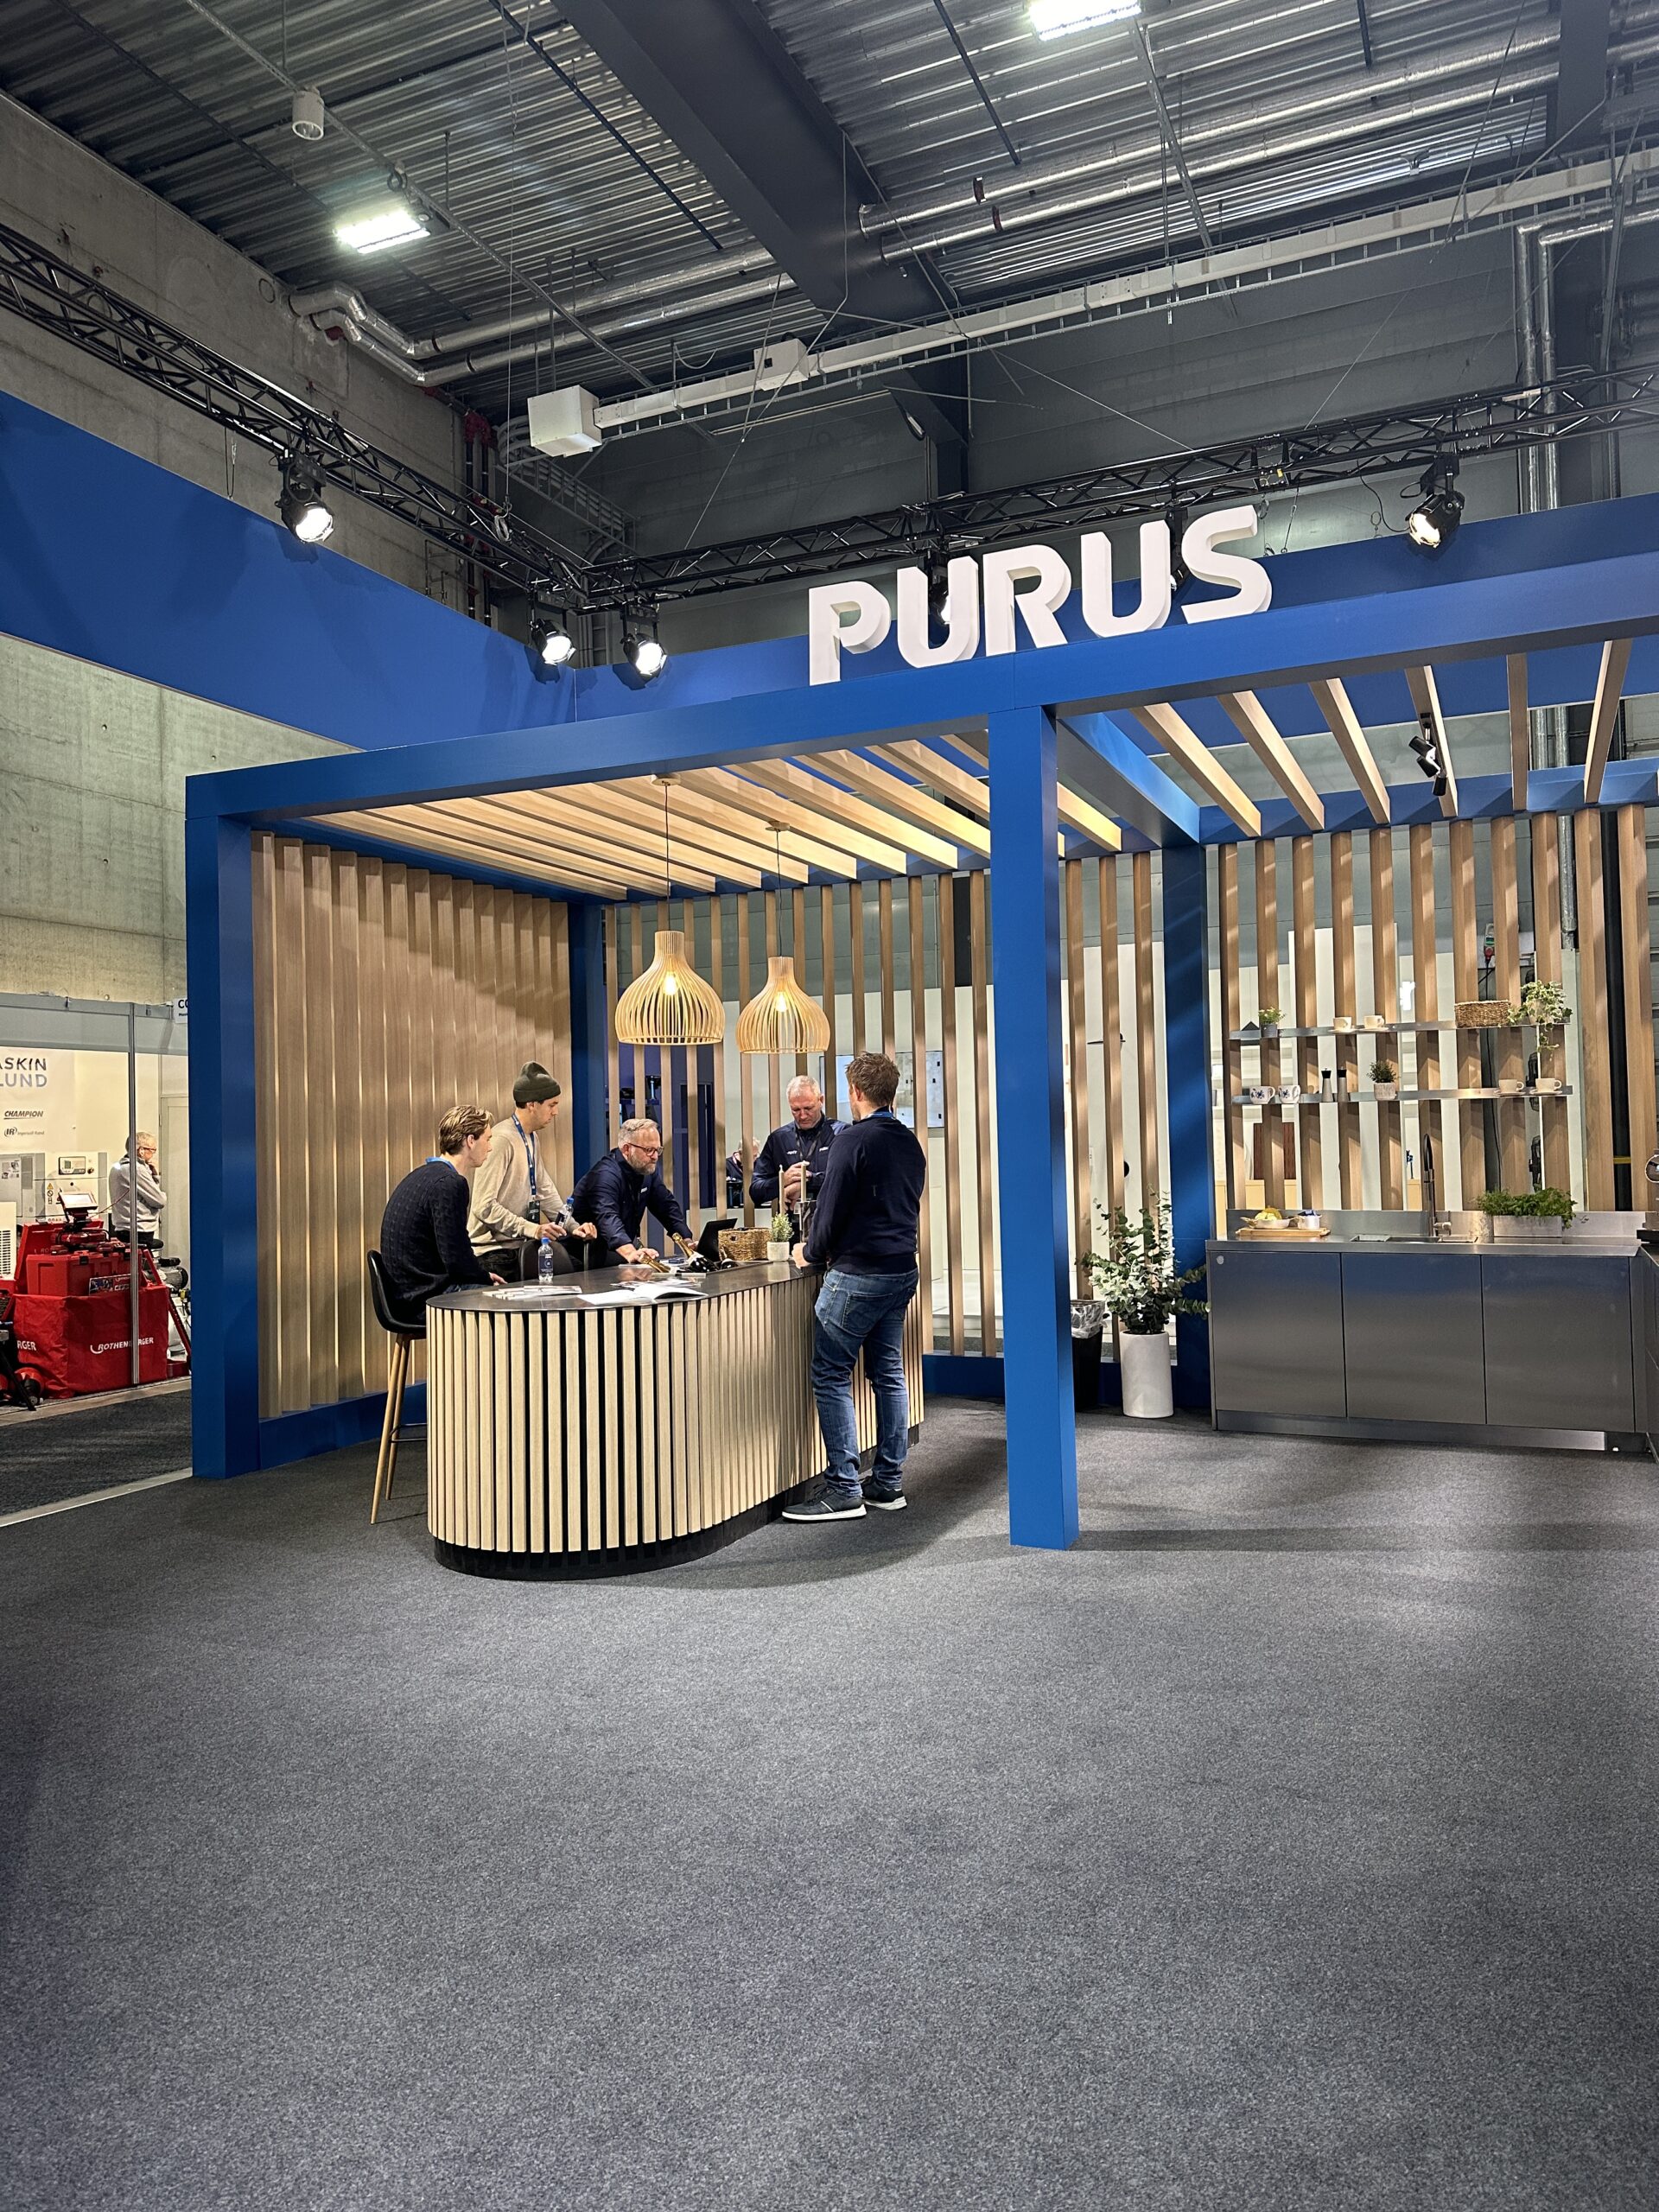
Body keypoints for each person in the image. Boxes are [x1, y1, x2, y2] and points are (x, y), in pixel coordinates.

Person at [783, 1052, 926, 1523]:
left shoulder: (851, 1140)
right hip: (901, 1270)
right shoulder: (909, 1142)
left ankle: (844, 1488)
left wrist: (807, 1252)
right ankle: (888, 1483)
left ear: (856, 1092)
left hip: (858, 1275)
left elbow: (829, 1212)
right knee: (888, 1372)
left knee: (830, 1374)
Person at [468, 1061, 596, 1280]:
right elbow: (484, 1206)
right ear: (532, 1105)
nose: (556, 1112)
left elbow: (544, 1191)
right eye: (551, 1105)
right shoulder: (501, 1140)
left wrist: (573, 1227)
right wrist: (532, 1229)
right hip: (495, 1253)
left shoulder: (531, 1137)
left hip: (523, 1245)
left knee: (581, 1275)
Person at [378, 1105, 504, 1313]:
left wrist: (481, 1276)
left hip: (406, 1294)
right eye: (488, 1139)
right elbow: (456, 1257)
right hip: (426, 1299)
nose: (490, 1148)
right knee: (506, 1303)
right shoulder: (450, 1184)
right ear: (470, 1141)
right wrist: (483, 1277)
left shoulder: (423, 1175)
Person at [569, 1117, 692, 1266]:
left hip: (617, 1253)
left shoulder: (647, 1171)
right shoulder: (604, 1175)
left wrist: (688, 1243)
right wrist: (631, 1253)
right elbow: (608, 1218)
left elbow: (667, 1208)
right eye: (649, 1150)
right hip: (583, 1259)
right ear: (627, 1149)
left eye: (658, 1150)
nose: (655, 1157)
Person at [749, 1076, 845, 1236]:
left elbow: (846, 1179)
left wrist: (806, 1182)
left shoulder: (841, 1134)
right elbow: (756, 1192)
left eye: (808, 1108)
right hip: (791, 1230)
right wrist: (783, 1181)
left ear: (821, 1100)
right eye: (796, 1110)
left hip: (834, 1228)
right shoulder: (778, 1139)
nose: (802, 1115)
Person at [108, 1132, 164, 1251]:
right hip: (140, 1229)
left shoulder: (117, 1167)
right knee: (141, 1262)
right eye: (152, 1150)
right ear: (141, 1150)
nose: (153, 1154)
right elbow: (159, 1200)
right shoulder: (136, 1169)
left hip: (122, 1228)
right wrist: (156, 1177)